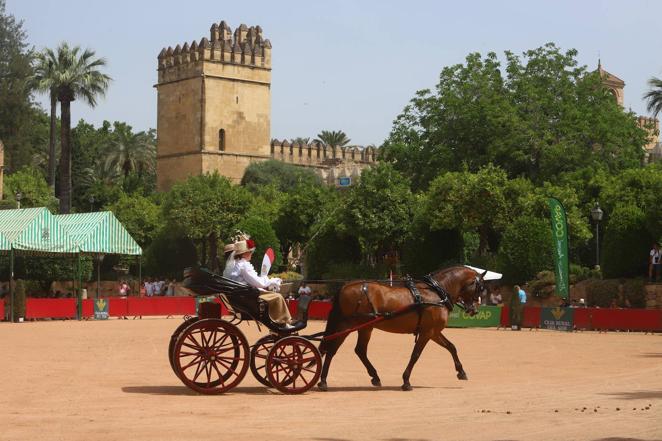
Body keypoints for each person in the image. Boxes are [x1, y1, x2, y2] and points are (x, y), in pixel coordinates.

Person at [228, 237, 293, 329]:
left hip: (243, 295)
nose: (251, 254)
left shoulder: (236, 265)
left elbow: (255, 281)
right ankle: (283, 322)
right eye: (250, 252)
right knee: (278, 297)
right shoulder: (243, 266)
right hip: (248, 296)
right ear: (245, 253)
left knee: (274, 295)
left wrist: (268, 281)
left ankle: (279, 322)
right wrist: (272, 280)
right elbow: (258, 283)